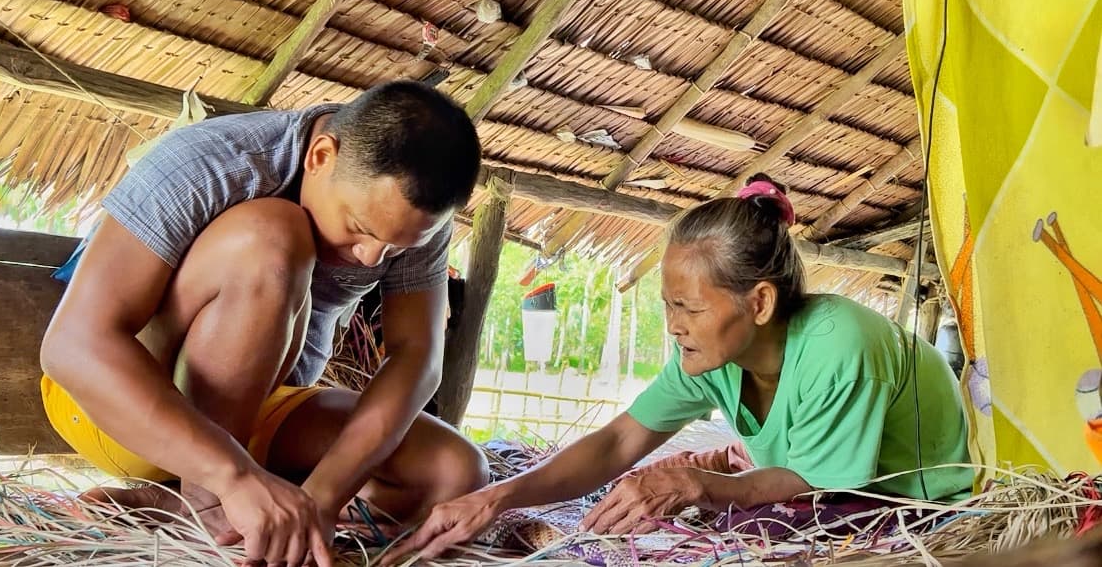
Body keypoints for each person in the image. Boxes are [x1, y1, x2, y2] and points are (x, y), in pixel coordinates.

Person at [386, 174, 973, 563]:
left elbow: (821, 486)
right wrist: (497, 498)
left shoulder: (842, 344)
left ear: (760, 303)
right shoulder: (710, 358)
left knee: (736, 543)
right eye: (668, 306)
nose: (673, 325)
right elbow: (620, 440)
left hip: (911, 505)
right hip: (825, 494)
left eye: (688, 308)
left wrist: (704, 484)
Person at [39, 80, 489, 567]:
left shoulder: (405, 214)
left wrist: (324, 494)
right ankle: (206, 509)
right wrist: (232, 478)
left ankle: (179, 506)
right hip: (117, 411)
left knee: (454, 471)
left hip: (258, 417)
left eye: (396, 247)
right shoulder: (213, 160)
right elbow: (71, 347)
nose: (371, 257)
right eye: (360, 228)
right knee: (273, 236)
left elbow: (416, 356)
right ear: (320, 155)